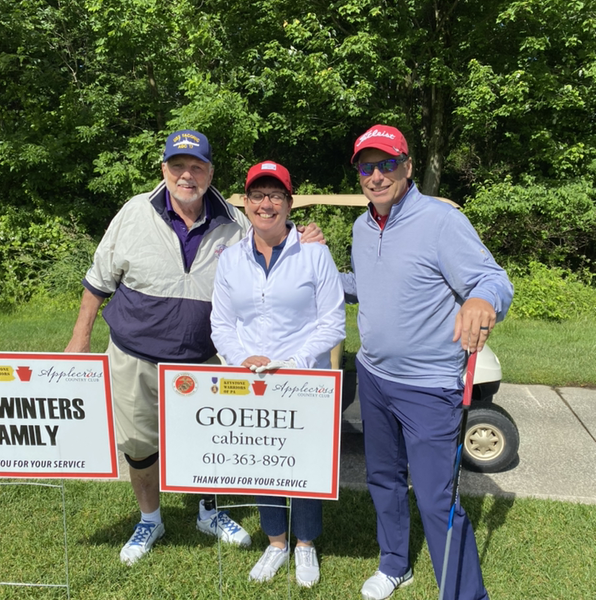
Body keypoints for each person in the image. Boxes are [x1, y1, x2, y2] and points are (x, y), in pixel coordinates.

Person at [65, 130, 324, 566]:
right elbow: (98, 281)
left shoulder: (234, 221)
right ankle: (150, 518)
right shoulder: (134, 212)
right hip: (134, 354)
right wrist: (80, 337)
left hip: (204, 359)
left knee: (209, 443)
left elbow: (272, 236)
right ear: (164, 169)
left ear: (210, 172)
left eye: (197, 167)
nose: (187, 175)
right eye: (178, 166)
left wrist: (305, 237)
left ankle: (209, 510)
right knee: (139, 444)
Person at [342, 125, 513, 600]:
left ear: (408, 167)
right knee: (383, 479)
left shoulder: (441, 221)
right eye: (367, 167)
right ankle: (394, 564)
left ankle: (464, 594)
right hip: (374, 376)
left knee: (438, 499)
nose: (377, 176)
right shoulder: (361, 227)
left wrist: (482, 299)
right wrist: (310, 269)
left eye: (387, 164)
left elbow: (493, 279)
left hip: (429, 386)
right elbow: (363, 284)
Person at [210, 161, 345, 588]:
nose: (265, 204)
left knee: (302, 461)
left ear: (289, 203)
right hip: (252, 380)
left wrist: (294, 363)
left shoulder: (314, 253)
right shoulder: (231, 258)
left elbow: (333, 322)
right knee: (263, 459)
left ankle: (304, 544)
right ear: (246, 202)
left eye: (275, 196)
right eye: (257, 195)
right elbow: (221, 324)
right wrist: (241, 359)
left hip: (303, 378)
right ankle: (276, 542)